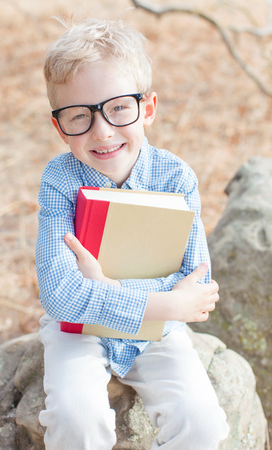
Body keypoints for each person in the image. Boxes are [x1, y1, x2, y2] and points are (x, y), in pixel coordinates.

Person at [36, 17, 229, 450]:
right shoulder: (60, 181)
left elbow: (194, 283)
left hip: (159, 329)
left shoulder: (176, 177)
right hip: (78, 328)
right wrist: (164, 300)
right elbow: (60, 295)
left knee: (202, 422)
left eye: (118, 107)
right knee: (75, 418)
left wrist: (106, 287)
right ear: (59, 125)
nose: (101, 130)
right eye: (78, 116)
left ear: (149, 107)